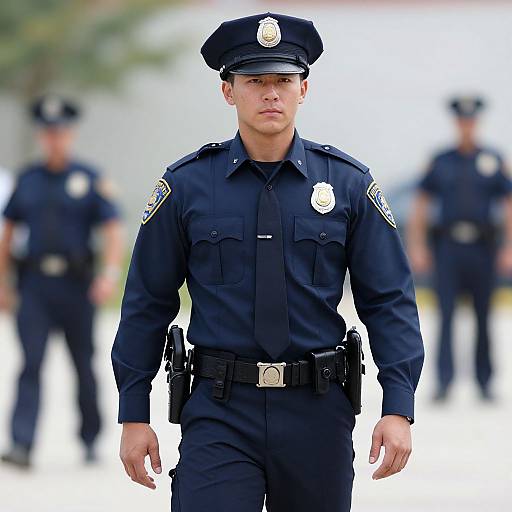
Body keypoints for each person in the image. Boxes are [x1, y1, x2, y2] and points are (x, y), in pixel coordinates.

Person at [112, 12, 424, 511]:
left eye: (283, 80)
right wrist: (134, 412)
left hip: (317, 411)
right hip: (219, 410)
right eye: (255, 81)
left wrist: (399, 407)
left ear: (305, 89)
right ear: (228, 91)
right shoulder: (187, 186)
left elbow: (389, 301)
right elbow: (146, 301)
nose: (271, 94)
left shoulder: (347, 184)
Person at [0, 94, 123, 468]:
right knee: (31, 362)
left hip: (77, 285)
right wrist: (3, 284)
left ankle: (90, 437)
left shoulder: (88, 178)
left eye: (61, 132)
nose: (55, 138)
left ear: (71, 134)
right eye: (48, 132)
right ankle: (21, 444)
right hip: (36, 285)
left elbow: (112, 230)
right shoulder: (28, 180)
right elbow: (8, 232)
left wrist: (109, 275)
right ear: (42, 136)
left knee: (83, 365)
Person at [407, 96, 512, 402]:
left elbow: (507, 204)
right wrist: (418, 246)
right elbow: (421, 204)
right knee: (446, 314)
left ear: (476, 122)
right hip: (449, 249)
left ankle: (484, 381)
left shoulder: (492, 159)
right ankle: (444, 382)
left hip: (483, 248)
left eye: (471, 120)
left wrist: (507, 247)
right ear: (456, 123)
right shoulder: (441, 160)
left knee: (483, 316)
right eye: (462, 121)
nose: (466, 125)